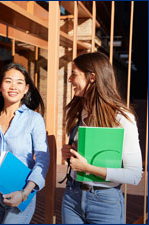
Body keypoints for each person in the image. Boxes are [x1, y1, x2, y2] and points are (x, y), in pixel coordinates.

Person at [61, 52, 143, 224]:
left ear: (92, 77)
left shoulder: (122, 118)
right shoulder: (76, 111)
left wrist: (88, 168)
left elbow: (134, 175)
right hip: (72, 197)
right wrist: (69, 152)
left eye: (74, 74)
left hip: (105, 203)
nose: (69, 79)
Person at [0, 63, 50, 224]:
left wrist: (25, 193)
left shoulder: (34, 120)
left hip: (20, 190)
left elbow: (43, 160)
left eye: (19, 82)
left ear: (26, 89)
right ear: (0, 87)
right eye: (8, 81)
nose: (13, 86)